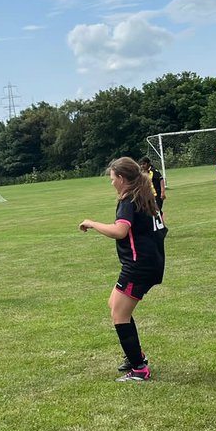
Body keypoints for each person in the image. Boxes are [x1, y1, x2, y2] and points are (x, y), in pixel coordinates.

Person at [79, 156, 167, 381]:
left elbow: (120, 231)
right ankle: (136, 355)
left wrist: (91, 223)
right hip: (150, 262)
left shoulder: (130, 200)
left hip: (139, 266)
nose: (111, 183)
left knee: (119, 314)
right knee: (115, 305)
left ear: (121, 178)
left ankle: (139, 368)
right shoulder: (145, 196)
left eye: (112, 178)